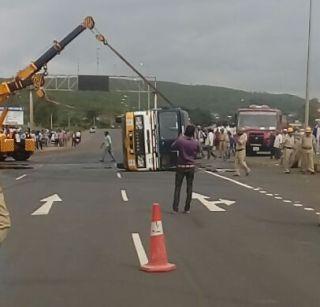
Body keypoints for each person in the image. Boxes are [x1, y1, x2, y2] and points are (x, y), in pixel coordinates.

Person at [171, 125, 200, 214]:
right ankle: (187, 208)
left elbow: (172, 147)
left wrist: (179, 137)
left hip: (181, 166)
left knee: (178, 187)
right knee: (189, 187)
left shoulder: (180, 141)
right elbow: (199, 152)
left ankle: (175, 208)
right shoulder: (196, 142)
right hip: (191, 167)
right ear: (193, 133)